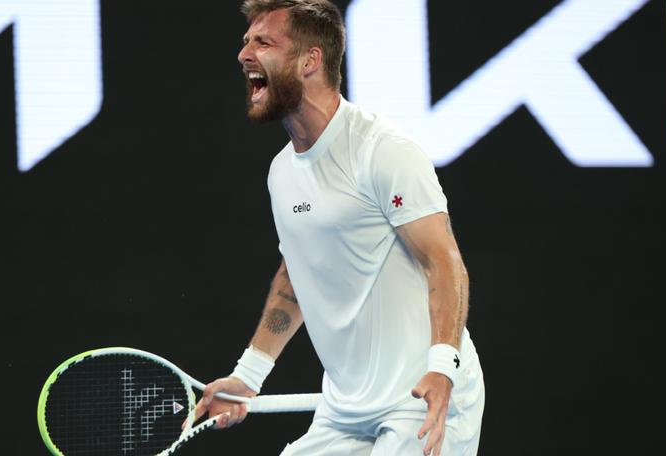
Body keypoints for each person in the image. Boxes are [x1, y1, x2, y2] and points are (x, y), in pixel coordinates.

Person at [194, 1, 485, 454]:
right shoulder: (282, 172)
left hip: (421, 396)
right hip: (345, 408)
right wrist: (248, 375)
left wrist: (443, 367)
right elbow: (297, 276)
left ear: (310, 60)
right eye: (245, 42)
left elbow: (444, 262)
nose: (244, 54)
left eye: (263, 42)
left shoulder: (381, 150)